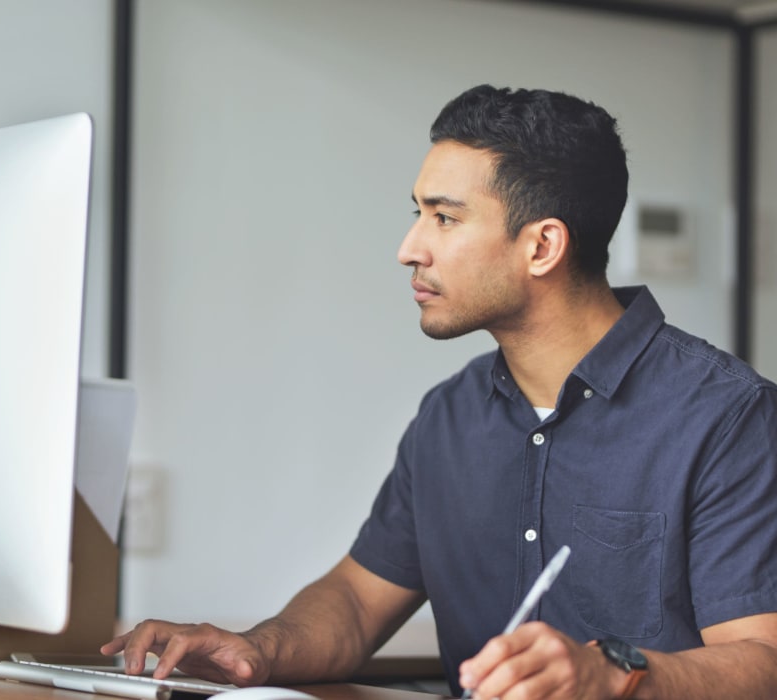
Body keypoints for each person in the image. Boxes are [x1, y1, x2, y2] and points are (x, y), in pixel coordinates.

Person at [102, 85, 777, 699]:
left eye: (444, 218)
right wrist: (257, 651)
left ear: (542, 247)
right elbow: (358, 598)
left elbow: (762, 661)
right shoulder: (448, 416)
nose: (409, 247)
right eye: (416, 213)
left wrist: (613, 673)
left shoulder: (728, 415)